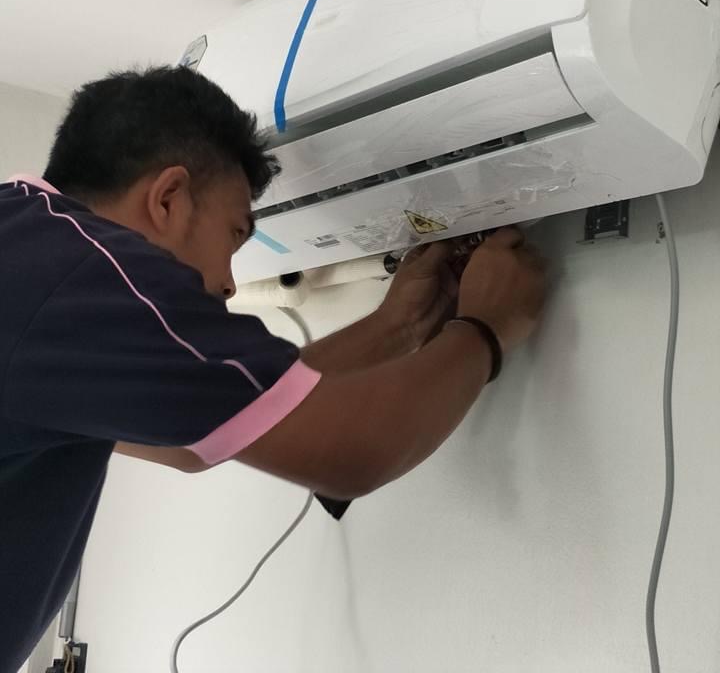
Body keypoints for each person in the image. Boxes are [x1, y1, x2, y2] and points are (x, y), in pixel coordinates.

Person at [1, 66, 546, 670]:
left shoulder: (28, 247)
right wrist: (490, 326)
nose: (228, 283)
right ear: (168, 198)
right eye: (234, 235)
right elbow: (354, 451)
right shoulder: (85, 274)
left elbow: (185, 443)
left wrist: (402, 325)